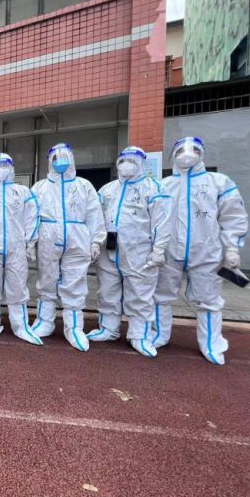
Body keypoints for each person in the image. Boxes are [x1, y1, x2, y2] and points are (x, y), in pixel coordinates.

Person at [152, 137, 248, 365]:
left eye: (194, 149)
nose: (187, 154)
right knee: (160, 296)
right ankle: (159, 335)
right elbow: (154, 219)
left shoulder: (218, 182)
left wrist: (232, 247)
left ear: (202, 153)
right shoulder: (163, 185)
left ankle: (211, 344)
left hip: (206, 252)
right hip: (169, 252)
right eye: (181, 150)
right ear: (173, 155)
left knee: (209, 300)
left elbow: (233, 216)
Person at [88, 147, 172, 357]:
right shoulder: (107, 190)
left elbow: (162, 222)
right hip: (108, 250)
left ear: (142, 163)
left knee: (140, 293)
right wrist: (94, 242)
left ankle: (139, 335)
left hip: (139, 252)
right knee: (107, 290)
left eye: (132, 161)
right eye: (123, 161)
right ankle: (108, 328)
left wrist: (159, 250)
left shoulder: (153, 188)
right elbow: (95, 217)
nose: (127, 165)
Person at [31, 143, 106, 351]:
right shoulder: (40, 187)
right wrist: (30, 241)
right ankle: (44, 321)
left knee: (74, 281)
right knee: (47, 278)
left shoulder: (84, 186)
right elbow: (31, 216)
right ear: (49, 161)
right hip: (47, 237)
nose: (60, 161)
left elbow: (94, 214)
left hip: (77, 237)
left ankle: (73, 327)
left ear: (72, 159)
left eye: (64, 157)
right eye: (55, 158)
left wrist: (96, 240)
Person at [0, 153, 43, 344]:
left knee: (17, 285)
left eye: (4, 165)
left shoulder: (23, 192)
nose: (0, 170)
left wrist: (30, 243)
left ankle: (20, 325)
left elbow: (32, 217)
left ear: (12, 168)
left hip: (16, 247)